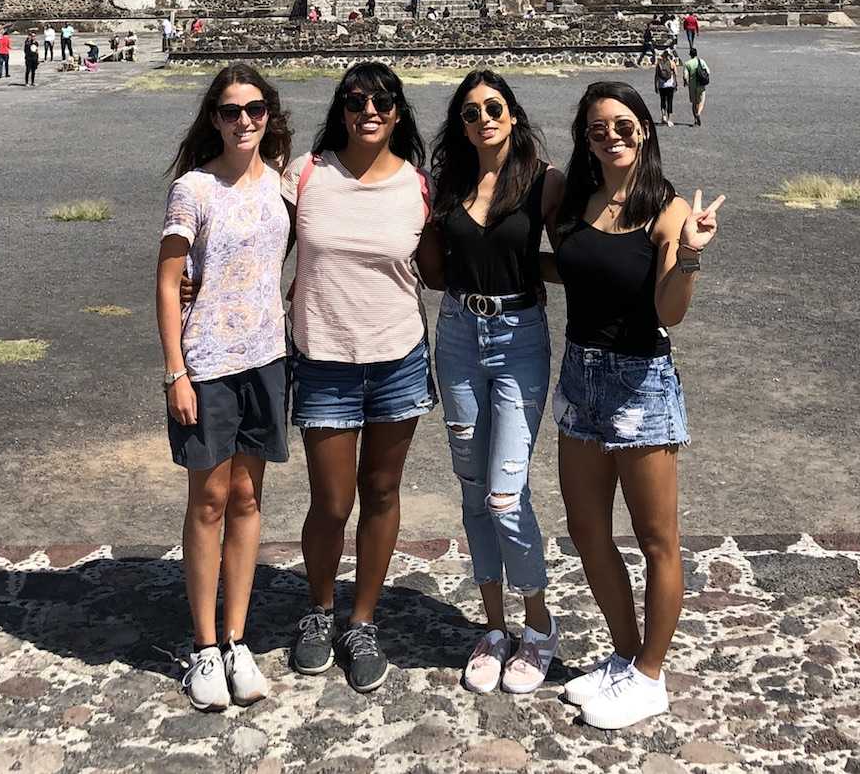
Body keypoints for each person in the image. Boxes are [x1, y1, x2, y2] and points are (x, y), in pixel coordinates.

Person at [545, 82, 723, 730]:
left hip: (640, 382)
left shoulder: (667, 211)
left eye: (623, 125)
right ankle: (624, 656)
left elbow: (667, 308)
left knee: (656, 540)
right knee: (587, 530)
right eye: (598, 128)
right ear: (585, 137)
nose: (610, 136)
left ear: (644, 130)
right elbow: (574, 266)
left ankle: (651, 674)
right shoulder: (573, 202)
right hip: (580, 380)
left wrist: (691, 257)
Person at [273, 63, 434, 695]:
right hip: (324, 358)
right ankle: (319, 610)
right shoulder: (307, 176)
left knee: (383, 493)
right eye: (356, 100)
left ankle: (362, 619)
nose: (369, 110)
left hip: (397, 356)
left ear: (398, 112)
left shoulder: (419, 185)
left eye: (382, 101)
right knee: (332, 501)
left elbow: (451, 258)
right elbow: (263, 244)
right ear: (341, 109)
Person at [422, 71, 564, 695]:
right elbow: (429, 267)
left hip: (518, 336)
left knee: (506, 495)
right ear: (461, 121)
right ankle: (495, 628)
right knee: (474, 489)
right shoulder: (446, 185)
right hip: (456, 333)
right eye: (471, 110)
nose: (484, 118)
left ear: (512, 114)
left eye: (494, 107)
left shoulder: (542, 180)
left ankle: (539, 626)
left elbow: (580, 248)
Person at [160, 65, 293, 712]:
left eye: (256, 109)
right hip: (207, 363)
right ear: (214, 117)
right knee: (208, 499)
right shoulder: (194, 189)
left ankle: (238, 639)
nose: (245, 120)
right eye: (232, 110)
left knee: (247, 497)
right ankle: (205, 647)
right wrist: (175, 371)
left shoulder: (287, 184)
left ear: (270, 115)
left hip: (267, 357)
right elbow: (166, 281)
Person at [682, 47, 709, 126]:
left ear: (690, 54)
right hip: (701, 84)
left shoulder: (687, 63)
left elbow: (685, 76)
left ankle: (695, 120)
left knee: (694, 103)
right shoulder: (701, 61)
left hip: (692, 86)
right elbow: (708, 71)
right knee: (701, 101)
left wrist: (685, 82)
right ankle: (699, 113)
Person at [653, 52, 678, 125]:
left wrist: (655, 85)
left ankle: (663, 116)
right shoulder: (672, 63)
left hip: (661, 85)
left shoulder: (659, 64)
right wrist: (676, 84)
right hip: (670, 85)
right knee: (670, 101)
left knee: (662, 100)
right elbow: (676, 74)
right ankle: (669, 119)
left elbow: (656, 76)